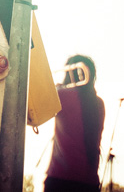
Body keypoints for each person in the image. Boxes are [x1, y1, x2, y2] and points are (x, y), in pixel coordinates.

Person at [45, 55, 106, 192]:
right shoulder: (99, 103)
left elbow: (34, 111)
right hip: (89, 182)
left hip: (60, 179)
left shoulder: (62, 95)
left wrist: (57, 88)